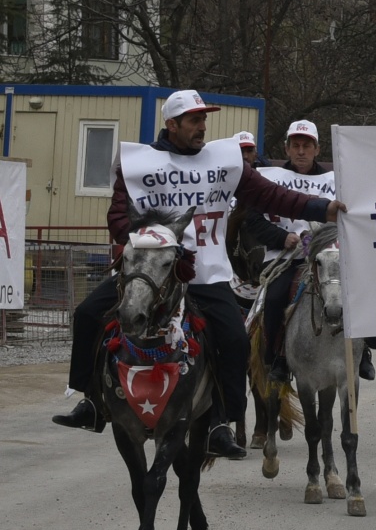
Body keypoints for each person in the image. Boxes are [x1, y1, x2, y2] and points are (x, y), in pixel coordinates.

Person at [52, 90, 345, 460]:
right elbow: (117, 219)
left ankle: (221, 424)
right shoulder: (139, 164)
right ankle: (91, 401)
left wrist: (322, 208)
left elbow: (273, 196)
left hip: (206, 272)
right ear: (172, 124)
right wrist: (155, 241)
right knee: (87, 314)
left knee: (234, 340)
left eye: (204, 119)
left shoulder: (224, 161)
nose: (202, 127)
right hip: (150, 270)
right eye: (194, 120)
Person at [249, 120, 375, 381]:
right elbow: (253, 219)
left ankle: (364, 351)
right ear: (286, 149)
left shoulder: (337, 180)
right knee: (274, 298)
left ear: (317, 149)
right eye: (295, 145)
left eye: (307, 146)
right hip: (288, 259)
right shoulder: (269, 180)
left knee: (363, 288)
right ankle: (277, 358)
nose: (301, 151)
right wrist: (281, 237)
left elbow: (355, 215)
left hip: (331, 255)